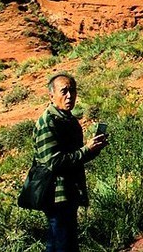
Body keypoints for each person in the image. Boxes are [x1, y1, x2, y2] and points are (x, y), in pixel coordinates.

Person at [35, 73, 107, 252]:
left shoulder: (67, 119)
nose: (69, 96)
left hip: (68, 192)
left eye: (72, 91)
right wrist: (86, 150)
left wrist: (93, 149)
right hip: (55, 194)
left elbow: (74, 157)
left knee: (61, 242)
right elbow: (54, 162)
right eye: (64, 91)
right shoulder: (48, 122)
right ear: (51, 96)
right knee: (63, 243)